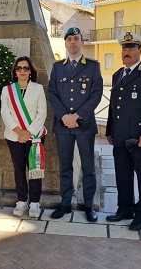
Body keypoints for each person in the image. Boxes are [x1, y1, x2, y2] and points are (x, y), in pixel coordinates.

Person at [105, 32, 141, 231]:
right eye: (124, 48)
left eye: (131, 48)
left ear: (140, 51)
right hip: (120, 136)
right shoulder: (117, 75)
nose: (127, 52)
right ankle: (125, 209)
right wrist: (110, 130)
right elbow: (114, 106)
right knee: (123, 175)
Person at [48, 27, 103, 222]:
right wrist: (65, 116)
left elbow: (96, 94)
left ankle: (88, 205)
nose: (72, 42)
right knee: (65, 166)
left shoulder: (92, 66)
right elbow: (52, 93)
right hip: (63, 125)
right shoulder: (58, 67)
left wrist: (77, 116)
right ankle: (65, 203)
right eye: (69, 39)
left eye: (76, 39)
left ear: (82, 42)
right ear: (65, 43)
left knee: (88, 167)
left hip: (84, 124)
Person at [0, 56, 47, 218]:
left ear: (30, 71)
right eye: (19, 68)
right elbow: (5, 113)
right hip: (14, 136)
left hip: (34, 136)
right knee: (19, 169)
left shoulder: (38, 88)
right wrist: (18, 132)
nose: (22, 71)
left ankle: (34, 202)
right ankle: (22, 200)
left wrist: (29, 133)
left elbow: (42, 113)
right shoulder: (7, 90)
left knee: (34, 169)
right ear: (14, 71)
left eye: (25, 68)